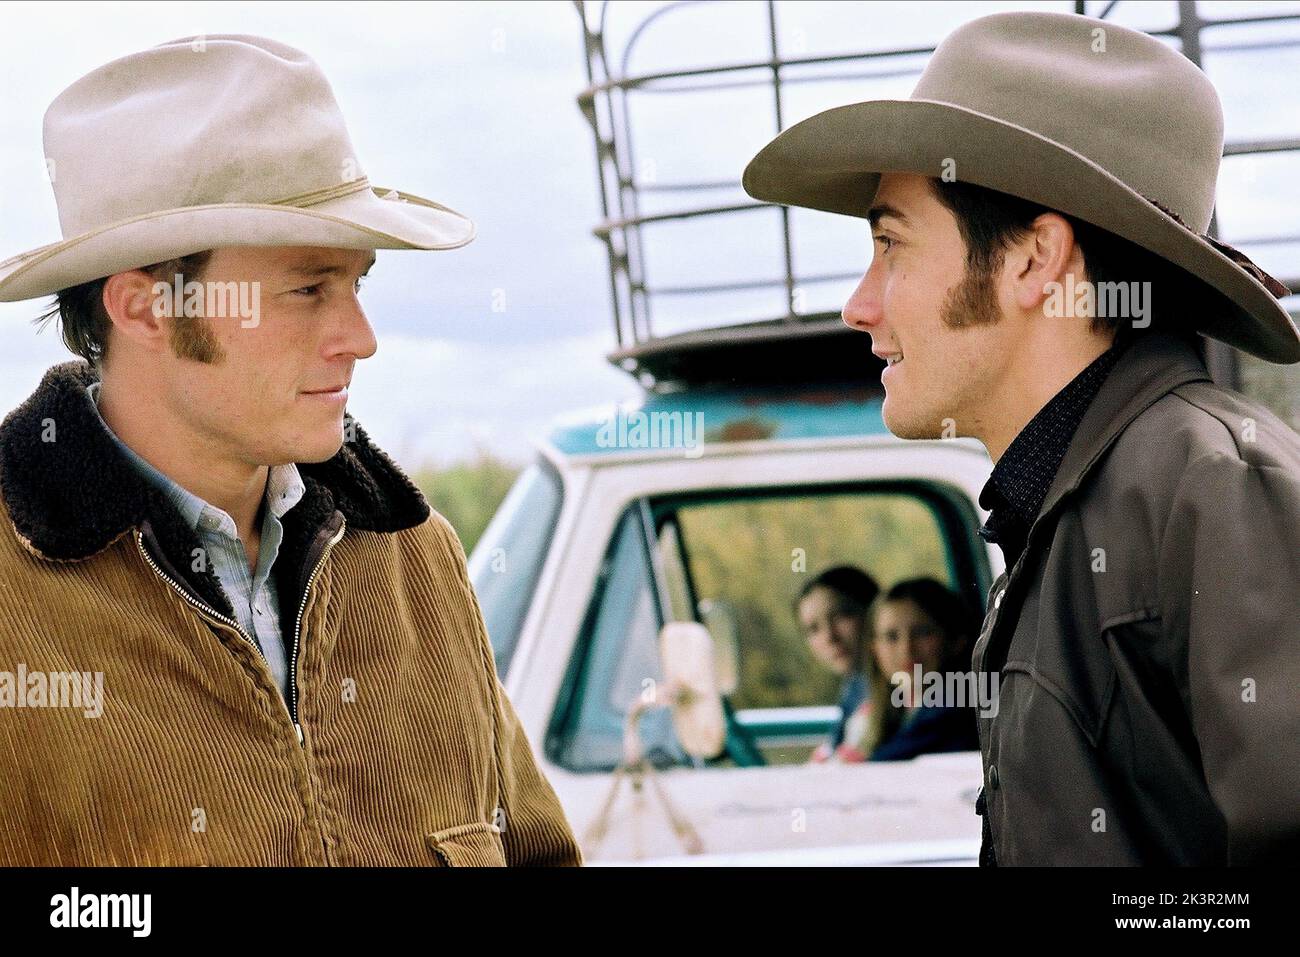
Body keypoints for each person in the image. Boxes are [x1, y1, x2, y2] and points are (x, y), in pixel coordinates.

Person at [0, 35, 582, 866]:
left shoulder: (417, 561)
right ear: (145, 308)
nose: (361, 337)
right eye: (308, 289)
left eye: (356, 284)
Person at [744, 11, 1300, 864]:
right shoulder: (1068, 505)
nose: (859, 305)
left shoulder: (1215, 486)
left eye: (890, 244)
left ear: (1037, 260)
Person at [849, 578, 980, 762]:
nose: (906, 649)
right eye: (891, 636)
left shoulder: (954, 711)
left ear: (955, 641)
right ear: (874, 649)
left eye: (923, 632)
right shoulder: (892, 712)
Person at [796, 566, 879, 763]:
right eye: (813, 629)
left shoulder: (904, 692)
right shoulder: (855, 686)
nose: (829, 637)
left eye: (842, 616)